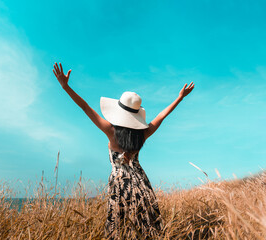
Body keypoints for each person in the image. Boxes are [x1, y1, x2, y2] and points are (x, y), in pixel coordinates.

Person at [53, 62, 195, 239]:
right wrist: (180, 97)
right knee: (146, 225)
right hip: (141, 181)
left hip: (121, 184)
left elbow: (85, 107)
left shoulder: (111, 132)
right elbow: (161, 116)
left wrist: (66, 87)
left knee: (119, 226)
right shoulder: (143, 134)